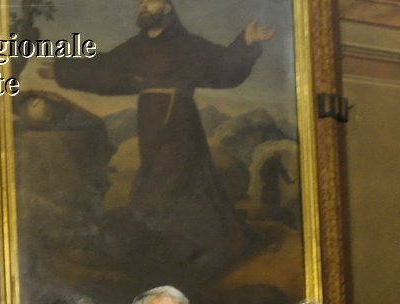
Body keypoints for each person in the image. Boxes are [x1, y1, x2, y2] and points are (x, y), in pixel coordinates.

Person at [48, 0, 276, 274]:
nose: (143, 7)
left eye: (150, 2)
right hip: (150, 124)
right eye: (141, 3)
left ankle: (181, 249)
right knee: (157, 175)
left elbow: (222, 67)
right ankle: (164, 241)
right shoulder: (135, 48)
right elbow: (104, 70)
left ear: (167, 7)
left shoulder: (188, 45)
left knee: (173, 180)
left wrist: (246, 44)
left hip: (179, 122)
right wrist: (62, 72)